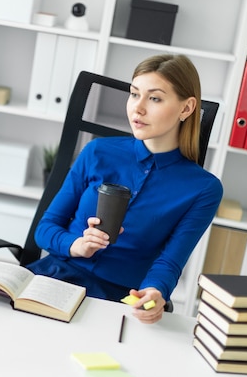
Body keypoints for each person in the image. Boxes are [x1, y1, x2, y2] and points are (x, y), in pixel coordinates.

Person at [26, 54, 223, 324]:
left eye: (154, 98)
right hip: (56, 278)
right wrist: (76, 245)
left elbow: (169, 263)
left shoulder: (203, 189)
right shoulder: (97, 151)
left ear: (186, 108)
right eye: (134, 94)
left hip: (118, 300)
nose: (137, 109)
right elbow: (46, 229)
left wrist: (156, 292)